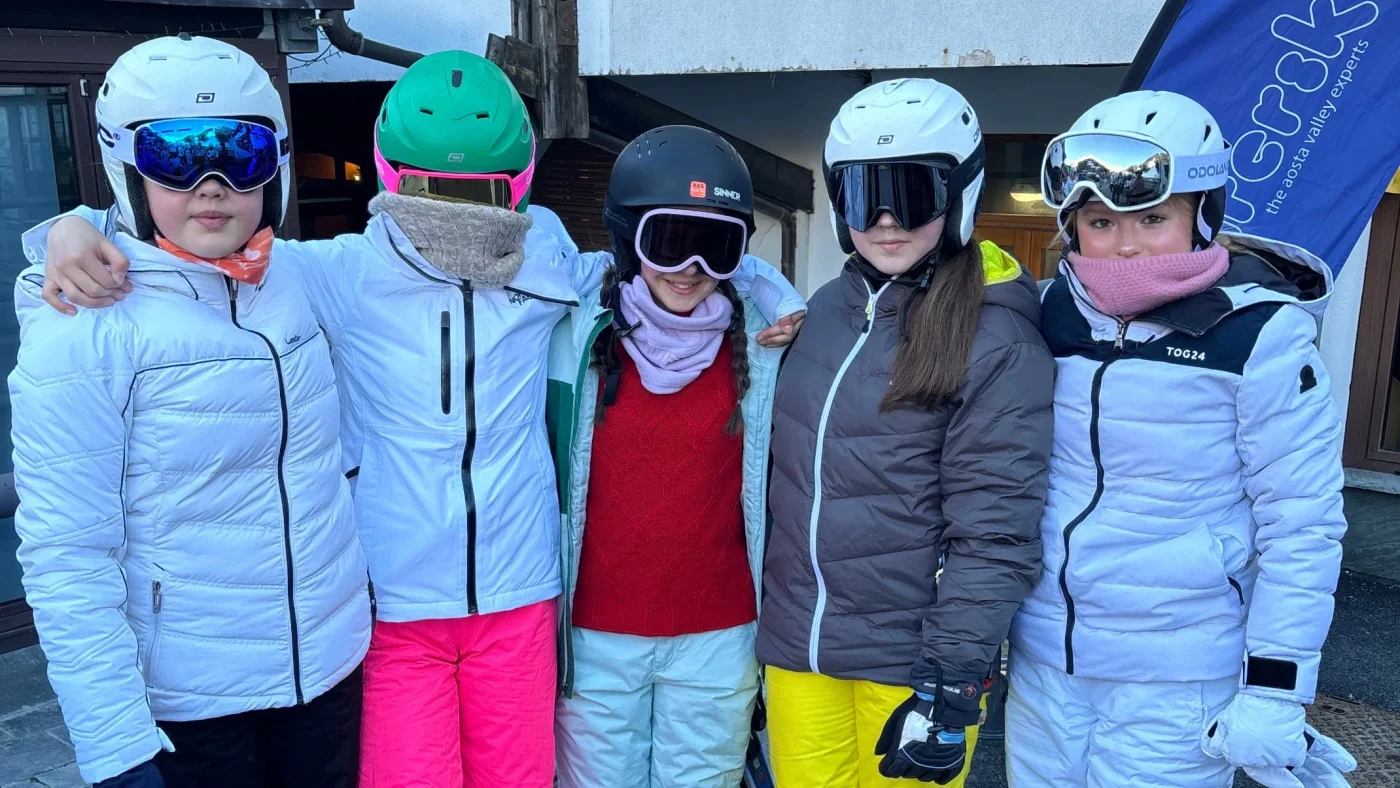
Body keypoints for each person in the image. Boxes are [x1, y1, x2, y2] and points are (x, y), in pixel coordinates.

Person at [34, 51, 805, 788]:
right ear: (393, 179)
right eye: (434, 196)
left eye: (483, 197)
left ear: (519, 187)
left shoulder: (545, 260)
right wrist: (68, 229)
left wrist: (775, 290)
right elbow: (183, 261)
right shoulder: (334, 273)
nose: (457, 225)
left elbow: (664, 262)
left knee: (522, 778)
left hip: (520, 592)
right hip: (394, 602)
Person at [9, 35, 370, 788]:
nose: (212, 186)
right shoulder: (86, 325)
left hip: (327, 670)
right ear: (127, 167)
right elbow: (67, 553)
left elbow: (430, 259)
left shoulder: (296, 278)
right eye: (177, 157)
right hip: (192, 706)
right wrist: (117, 747)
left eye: (238, 155)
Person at [1007, 90, 1358, 788]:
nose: (1124, 244)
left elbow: (1302, 524)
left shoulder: (1262, 338)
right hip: (1046, 663)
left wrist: (1274, 688)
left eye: (1153, 219)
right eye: (1100, 221)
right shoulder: (1040, 312)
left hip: (1176, 678)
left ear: (1204, 215)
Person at [757, 77, 1054, 787]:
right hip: (801, 650)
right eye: (864, 196)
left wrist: (950, 685)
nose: (886, 221)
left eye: (913, 194)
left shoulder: (996, 336)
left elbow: (996, 527)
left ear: (960, 196)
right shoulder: (824, 312)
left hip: (908, 666)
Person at [549, 126, 801, 788]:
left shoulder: (764, 344)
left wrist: (775, 291)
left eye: (715, 247)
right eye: (668, 241)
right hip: (597, 637)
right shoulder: (572, 332)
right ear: (628, 239)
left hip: (717, 637)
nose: (690, 268)